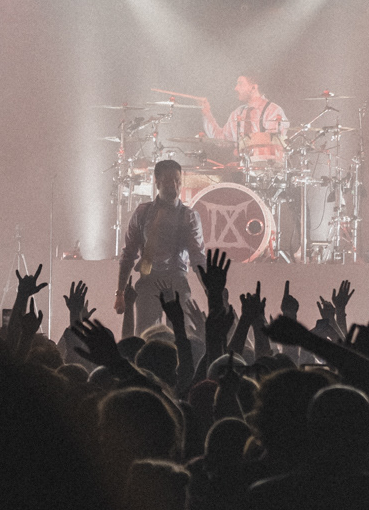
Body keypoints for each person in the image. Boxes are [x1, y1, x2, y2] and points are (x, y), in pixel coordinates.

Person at [116, 159, 204, 331]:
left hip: (177, 279)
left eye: (177, 181)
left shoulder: (189, 216)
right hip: (149, 280)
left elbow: (198, 258)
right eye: (168, 181)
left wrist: (211, 290)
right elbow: (128, 254)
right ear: (157, 182)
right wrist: (119, 293)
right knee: (145, 337)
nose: (174, 185)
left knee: (181, 336)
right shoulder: (143, 212)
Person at [201, 74, 288, 169]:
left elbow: (274, 144)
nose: (236, 88)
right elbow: (220, 139)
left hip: (267, 172)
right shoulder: (238, 113)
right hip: (242, 172)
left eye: (240, 84)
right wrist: (207, 113)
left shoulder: (273, 111)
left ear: (253, 88)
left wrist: (243, 149)